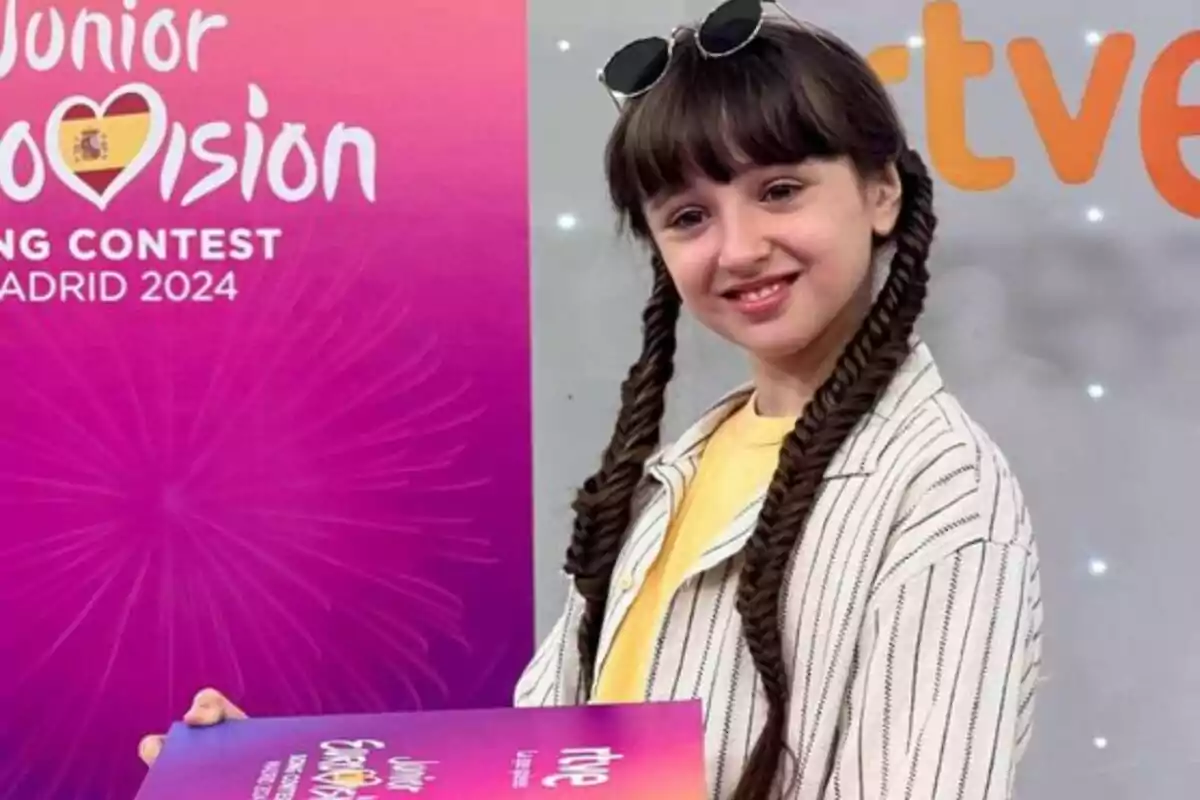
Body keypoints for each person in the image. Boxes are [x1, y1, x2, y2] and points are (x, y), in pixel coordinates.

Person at [139, 5, 1043, 799]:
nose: (738, 248)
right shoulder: (682, 465)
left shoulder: (944, 497)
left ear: (880, 190)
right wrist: (278, 776)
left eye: (779, 190)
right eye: (688, 216)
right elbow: (539, 767)